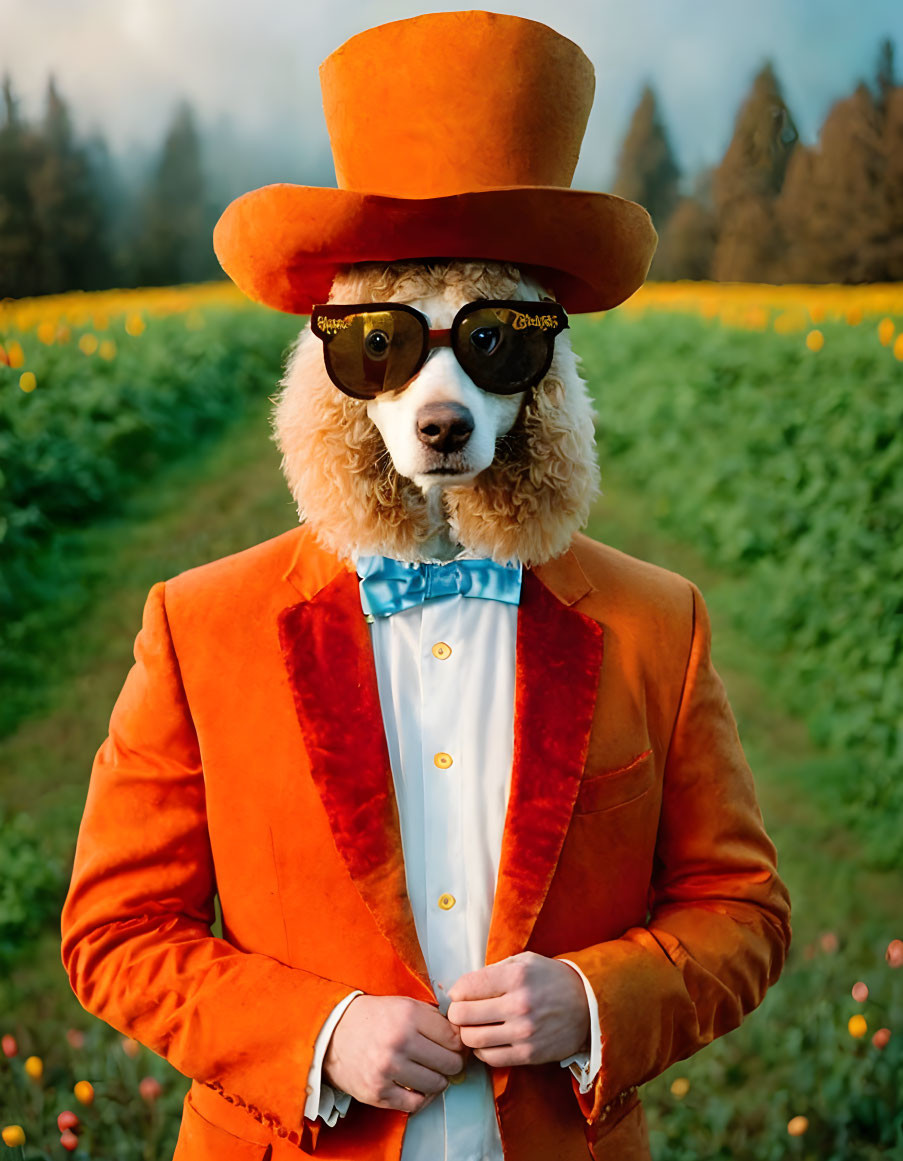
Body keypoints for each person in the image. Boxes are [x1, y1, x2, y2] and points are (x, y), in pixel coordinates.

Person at [61, 12, 791, 1160]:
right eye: (384, 347)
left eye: (492, 342)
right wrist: (317, 1031)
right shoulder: (199, 629)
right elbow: (115, 929)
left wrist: (600, 1002)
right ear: (333, 371)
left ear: (546, 374)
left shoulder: (660, 626)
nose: (439, 397)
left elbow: (742, 912)